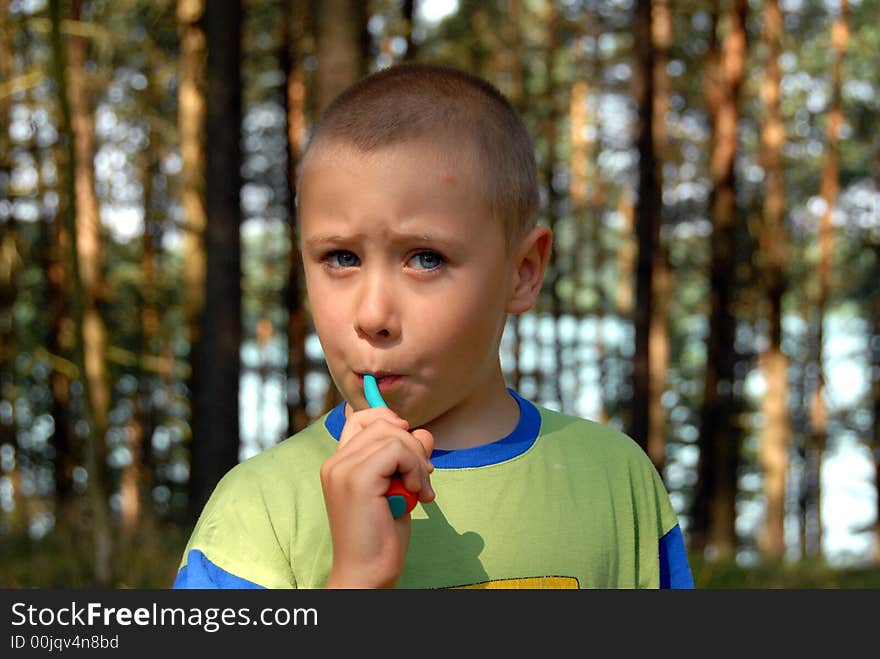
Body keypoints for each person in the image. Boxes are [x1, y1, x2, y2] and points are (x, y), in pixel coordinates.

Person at [172, 62, 694, 589]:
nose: (372, 316)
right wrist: (357, 579)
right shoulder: (258, 513)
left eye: (425, 259)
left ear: (523, 272)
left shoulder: (614, 482)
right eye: (341, 258)